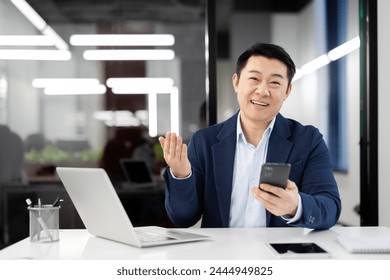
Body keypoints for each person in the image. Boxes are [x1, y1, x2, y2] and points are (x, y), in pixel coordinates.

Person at [158, 43, 341, 229]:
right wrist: (181, 175)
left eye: (275, 82)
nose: (262, 91)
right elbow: (182, 218)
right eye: (254, 78)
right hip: (221, 255)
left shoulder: (307, 140)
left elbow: (330, 207)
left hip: (280, 255)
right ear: (236, 82)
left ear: (287, 91)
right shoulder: (204, 141)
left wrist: (296, 206)